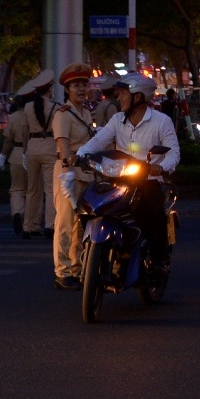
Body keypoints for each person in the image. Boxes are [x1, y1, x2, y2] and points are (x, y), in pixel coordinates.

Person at [73, 72, 180, 275]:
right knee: (88, 203)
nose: (119, 98)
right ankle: (91, 248)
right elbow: (97, 141)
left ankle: (158, 259)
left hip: (148, 181)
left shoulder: (161, 121)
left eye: (122, 94)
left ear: (137, 97)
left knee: (152, 213)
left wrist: (162, 167)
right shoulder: (116, 120)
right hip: (118, 181)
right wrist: (79, 155)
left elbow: (173, 152)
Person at [51, 63, 95, 290]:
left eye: (84, 84)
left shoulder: (86, 113)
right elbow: (63, 146)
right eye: (76, 85)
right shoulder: (63, 114)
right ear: (67, 89)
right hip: (68, 173)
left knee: (82, 225)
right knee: (66, 223)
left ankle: (77, 269)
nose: (81, 89)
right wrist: (68, 172)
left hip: (86, 173)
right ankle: (63, 271)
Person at [23, 70, 59, 239]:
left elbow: (25, 131)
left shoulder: (28, 107)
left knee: (32, 189)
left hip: (32, 149)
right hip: (50, 149)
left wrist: (25, 151)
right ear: (49, 89)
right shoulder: (56, 107)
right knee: (50, 190)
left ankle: (29, 225)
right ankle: (50, 225)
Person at [0, 84, 32, 236]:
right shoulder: (37, 115)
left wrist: (2, 157)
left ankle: (18, 212)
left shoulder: (13, 118)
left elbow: (7, 140)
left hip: (17, 154)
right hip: (35, 152)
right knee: (33, 189)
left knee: (17, 188)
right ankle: (30, 223)